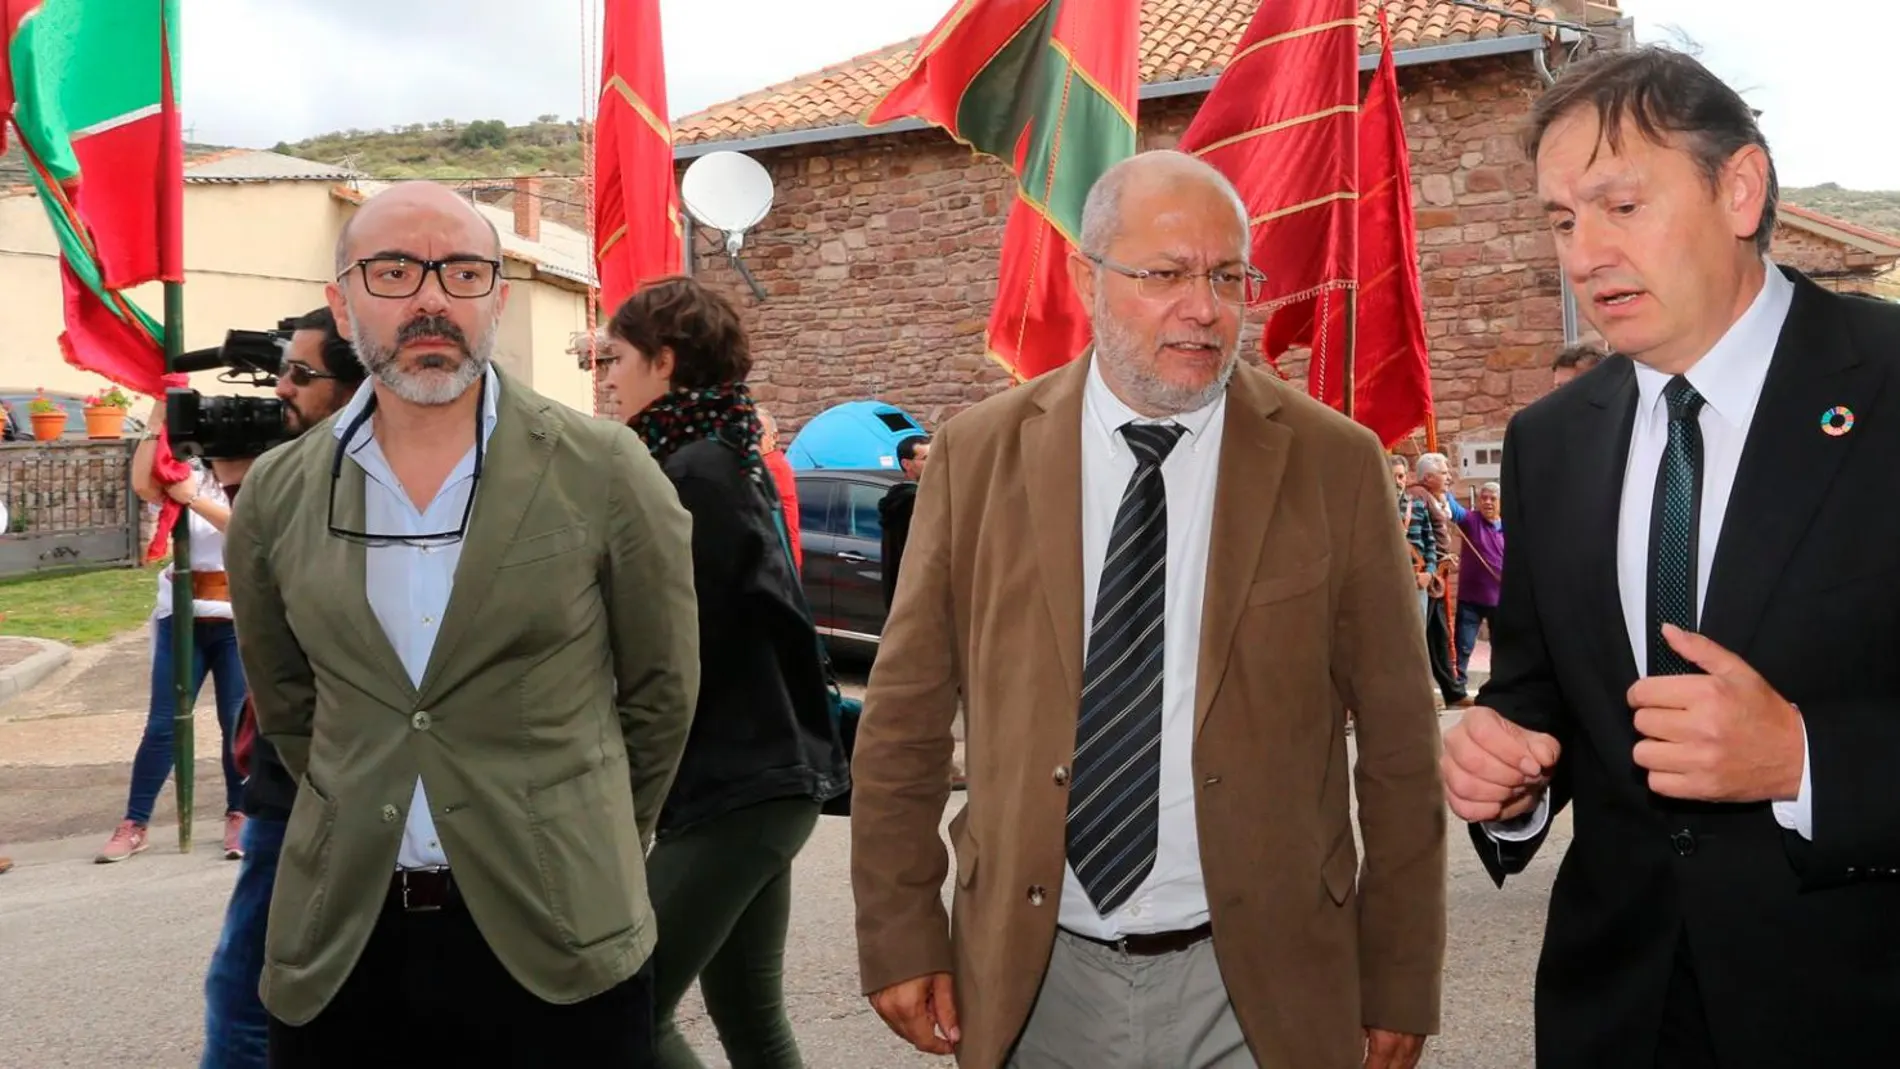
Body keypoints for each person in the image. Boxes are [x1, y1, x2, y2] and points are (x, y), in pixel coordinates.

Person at [850, 151, 1446, 1069]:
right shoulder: (978, 458)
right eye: (1164, 274)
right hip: (1032, 974)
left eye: (1226, 276)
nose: (1203, 308)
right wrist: (899, 929)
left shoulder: (1336, 465)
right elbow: (903, 720)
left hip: (1260, 983)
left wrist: (1400, 973)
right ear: (1087, 278)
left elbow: (1403, 746)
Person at [1441, 46, 1900, 1069]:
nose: (1583, 253)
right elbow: (1535, 697)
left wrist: (1805, 762)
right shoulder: (1550, 442)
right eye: (1561, 221)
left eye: (1619, 206)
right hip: (1619, 1018)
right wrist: (1504, 776)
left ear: (1738, 189)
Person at [226, 181, 699, 1067]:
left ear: (499, 298)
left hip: (557, 938)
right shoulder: (280, 494)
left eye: (465, 271)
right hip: (346, 946)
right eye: (395, 270)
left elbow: (662, 695)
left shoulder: (605, 469)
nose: (432, 298)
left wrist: (577, 827)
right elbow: (289, 708)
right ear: (342, 301)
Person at [597, 275, 850, 1068]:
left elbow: (681, 639)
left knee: (624, 1009)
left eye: (615, 358)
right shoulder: (716, 452)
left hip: (738, 782)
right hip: (762, 777)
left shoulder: (691, 473)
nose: (604, 377)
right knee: (746, 1009)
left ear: (663, 361)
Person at [199, 305, 365, 1069]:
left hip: (305, 783)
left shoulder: (344, 483)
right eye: (280, 372)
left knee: (244, 1000)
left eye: (301, 375)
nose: (282, 391)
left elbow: (288, 611)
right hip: (295, 775)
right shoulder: (299, 477)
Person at [95, 409, 252, 864]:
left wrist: (193, 501)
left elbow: (245, 527)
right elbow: (144, 484)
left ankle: (240, 814)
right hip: (179, 615)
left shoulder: (252, 474)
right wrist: (157, 415)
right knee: (164, 724)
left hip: (234, 617)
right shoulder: (184, 474)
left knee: (235, 721)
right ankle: (135, 823)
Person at [1444, 482, 1504, 689]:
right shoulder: (1470, 520)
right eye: (1483, 498)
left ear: (1500, 503)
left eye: (1492, 499)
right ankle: (1458, 688)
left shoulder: (1510, 526)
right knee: (1464, 646)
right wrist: (1445, 485)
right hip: (1470, 599)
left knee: (1501, 648)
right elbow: (1450, 507)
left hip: (1500, 600)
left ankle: (1500, 687)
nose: (1487, 502)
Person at [877, 432, 930, 610]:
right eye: (926, 458)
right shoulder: (912, 501)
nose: (933, 463)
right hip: (913, 595)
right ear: (906, 464)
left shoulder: (906, 498)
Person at [757, 405, 803, 572]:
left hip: (779, 561)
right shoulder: (769, 464)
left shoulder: (772, 466)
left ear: (774, 437)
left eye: (758, 434)